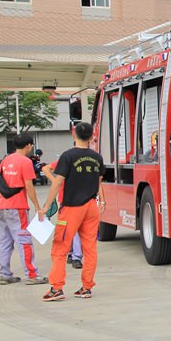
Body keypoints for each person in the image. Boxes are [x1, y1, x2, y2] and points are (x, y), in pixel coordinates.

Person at [37, 122, 105, 301]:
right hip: (91, 206)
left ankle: (57, 288)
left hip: (72, 207)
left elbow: (58, 182)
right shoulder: (97, 157)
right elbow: (99, 181)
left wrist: (46, 206)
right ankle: (87, 286)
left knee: (60, 247)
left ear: (73, 134)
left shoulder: (68, 156)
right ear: (92, 137)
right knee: (89, 248)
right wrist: (102, 200)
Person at [0, 133, 48, 285]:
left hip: (2, 206)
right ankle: (31, 274)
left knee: (5, 241)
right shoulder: (25, 162)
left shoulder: (5, 161)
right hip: (17, 207)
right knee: (24, 240)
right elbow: (29, 186)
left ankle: (5, 274)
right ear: (28, 146)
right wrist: (37, 206)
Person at [42, 158, 83, 270]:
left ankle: (73, 255)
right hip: (68, 200)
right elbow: (45, 168)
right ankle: (75, 256)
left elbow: (45, 169)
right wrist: (56, 182)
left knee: (70, 228)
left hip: (74, 200)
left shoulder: (71, 160)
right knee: (70, 228)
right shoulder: (68, 159)